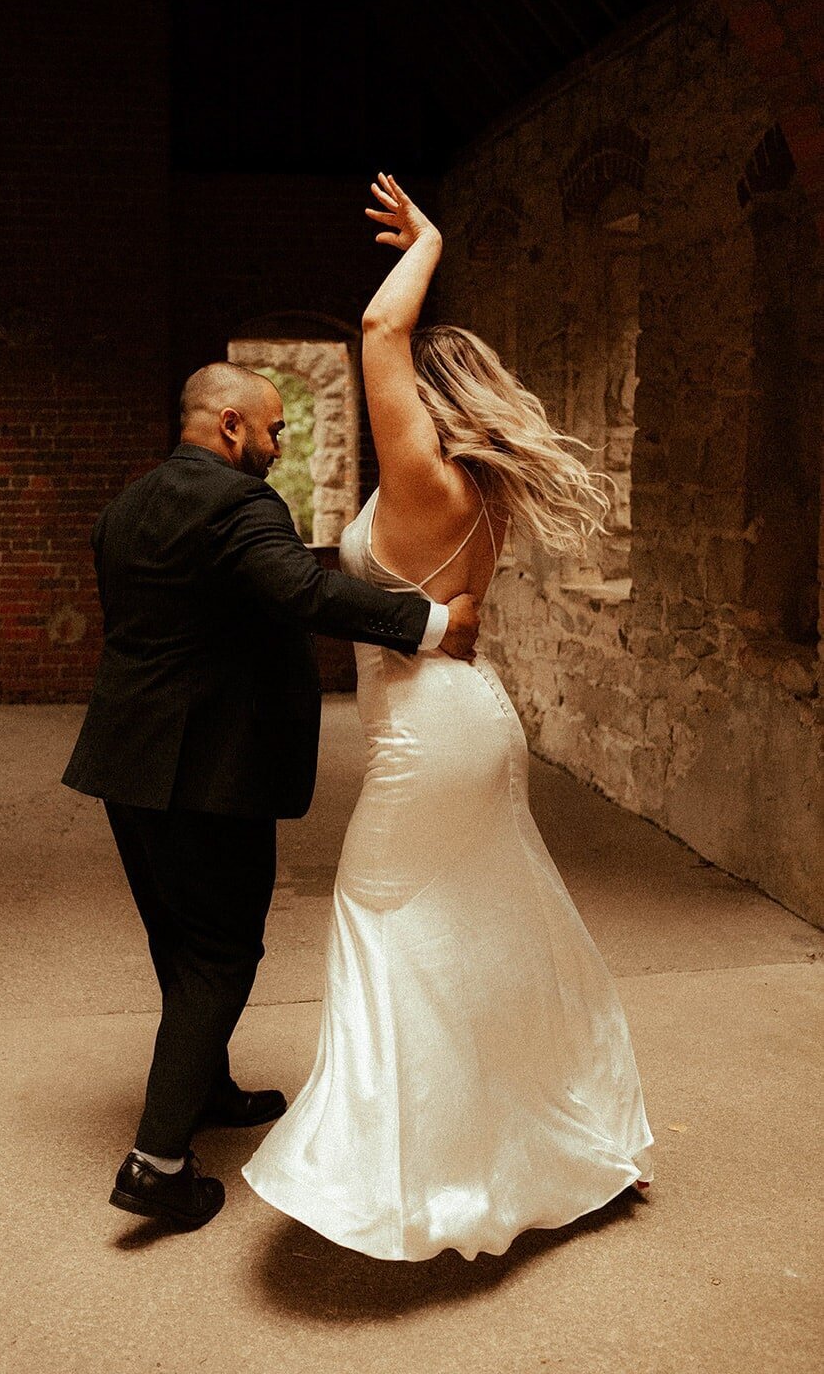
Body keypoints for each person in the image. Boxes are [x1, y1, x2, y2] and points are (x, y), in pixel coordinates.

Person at [243, 173, 653, 1261]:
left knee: (382, 921)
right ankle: (529, 1134)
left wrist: (426, 240)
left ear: (425, 400)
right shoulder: (480, 492)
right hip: (469, 715)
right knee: (484, 924)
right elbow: (433, 611)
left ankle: (410, 1174)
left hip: (430, 732)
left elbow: (381, 321)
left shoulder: (423, 476)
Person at [61, 361, 482, 1229]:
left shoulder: (127, 506)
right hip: (207, 774)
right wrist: (434, 626)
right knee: (221, 956)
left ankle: (204, 1088)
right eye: (274, 429)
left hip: (126, 763)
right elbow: (301, 591)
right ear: (228, 426)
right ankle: (156, 1164)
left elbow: (164, 624)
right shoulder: (240, 505)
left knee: (181, 943)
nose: (280, 444)